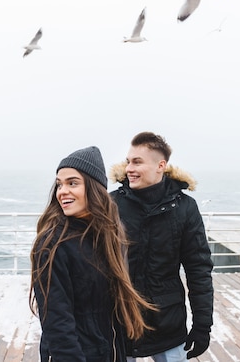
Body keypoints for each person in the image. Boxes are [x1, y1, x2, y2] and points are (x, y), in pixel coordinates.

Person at [30, 146, 156, 362]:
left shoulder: (108, 237)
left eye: (72, 183)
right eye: (60, 184)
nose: (62, 191)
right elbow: (57, 325)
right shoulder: (53, 243)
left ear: (94, 188)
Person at [109, 132, 214, 361]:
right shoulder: (111, 205)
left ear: (160, 165)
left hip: (167, 323)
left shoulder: (185, 208)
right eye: (128, 162)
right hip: (119, 323)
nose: (129, 168)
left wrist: (202, 326)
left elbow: (199, 270)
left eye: (137, 162)